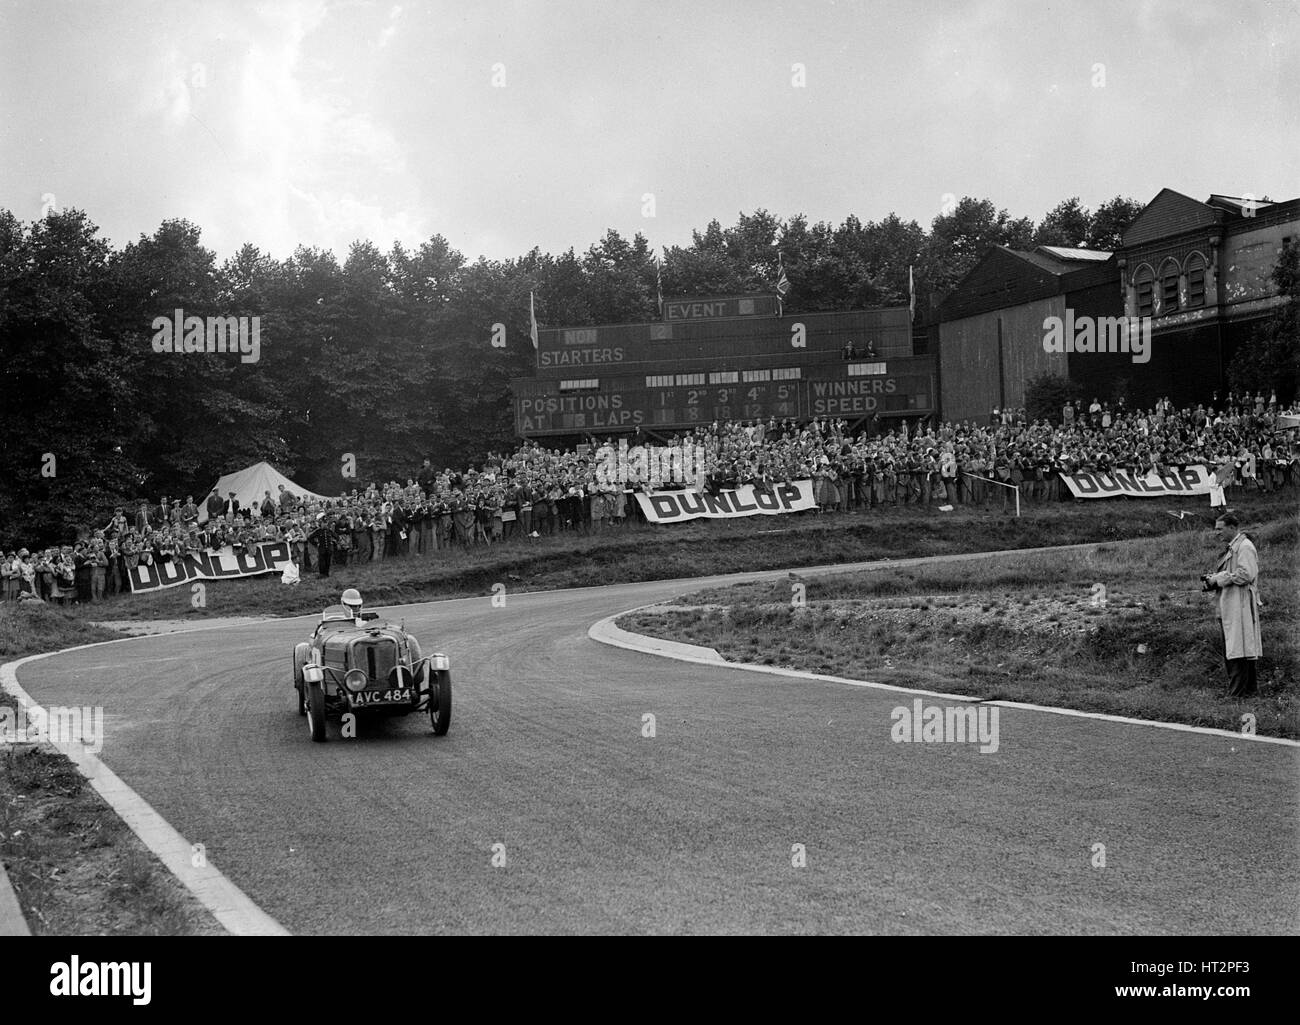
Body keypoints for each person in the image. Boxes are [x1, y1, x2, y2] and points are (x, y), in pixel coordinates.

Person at [1203, 511, 1262, 698]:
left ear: (1232, 527)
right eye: (1216, 529)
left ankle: (1237, 695)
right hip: (1231, 604)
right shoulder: (1233, 548)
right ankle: (1248, 692)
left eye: (1220, 529)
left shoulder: (1244, 547)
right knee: (1238, 648)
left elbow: (1246, 574)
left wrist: (1219, 579)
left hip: (1241, 604)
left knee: (1238, 649)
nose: (1217, 533)